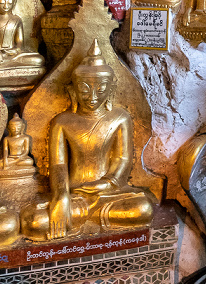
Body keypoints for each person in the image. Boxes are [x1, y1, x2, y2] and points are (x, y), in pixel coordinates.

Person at [20, 40, 155, 240]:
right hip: (73, 195)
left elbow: (123, 160)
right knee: (34, 221)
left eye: (100, 90)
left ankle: (84, 219)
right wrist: (61, 197)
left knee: (142, 209)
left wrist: (106, 183)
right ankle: (82, 217)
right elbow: (58, 165)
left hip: (108, 194)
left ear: (110, 90)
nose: (92, 97)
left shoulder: (119, 118)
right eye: (84, 90)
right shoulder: (62, 121)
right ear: (72, 91)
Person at [0, 0, 45, 69]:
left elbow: (19, 43)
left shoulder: (16, 20)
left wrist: (16, 50)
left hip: (12, 56)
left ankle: (6, 66)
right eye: (1, 2)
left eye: (10, 2)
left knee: (38, 60)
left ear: (14, 2)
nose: (6, 5)